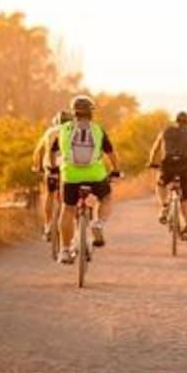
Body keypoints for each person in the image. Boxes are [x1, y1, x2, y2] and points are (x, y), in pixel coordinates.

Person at [54, 95, 121, 263]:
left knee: (68, 209)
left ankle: (64, 250)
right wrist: (116, 171)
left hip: (70, 176)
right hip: (95, 176)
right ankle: (98, 223)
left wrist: (56, 169)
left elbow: (54, 151)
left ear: (73, 112)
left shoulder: (63, 129)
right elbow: (112, 155)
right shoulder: (98, 130)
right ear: (91, 113)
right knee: (106, 197)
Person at [147, 111, 187, 241]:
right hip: (184, 165)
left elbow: (155, 148)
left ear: (176, 121)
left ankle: (164, 206)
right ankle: (185, 228)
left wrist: (151, 162)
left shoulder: (166, 131)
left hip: (168, 163)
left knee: (160, 183)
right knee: (186, 196)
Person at [32, 109, 72, 241]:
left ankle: (48, 225)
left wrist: (36, 166)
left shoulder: (49, 132)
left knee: (49, 193)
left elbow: (38, 151)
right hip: (68, 168)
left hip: (51, 167)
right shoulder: (73, 131)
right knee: (69, 198)